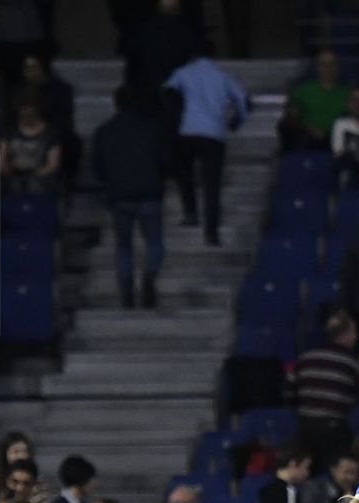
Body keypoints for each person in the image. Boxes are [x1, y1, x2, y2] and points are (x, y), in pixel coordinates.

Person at [164, 44, 248, 247]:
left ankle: (190, 211)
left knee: (184, 171)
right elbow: (243, 100)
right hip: (214, 134)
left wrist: (176, 115)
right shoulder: (223, 76)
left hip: (188, 130)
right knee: (212, 185)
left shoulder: (183, 72)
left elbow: (167, 91)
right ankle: (211, 232)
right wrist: (236, 122)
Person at [92, 86, 169, 310]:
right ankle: (149, 277)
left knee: (124, 246)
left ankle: (126, 294)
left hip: (120, 194)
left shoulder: (104, 131)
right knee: (154, 242)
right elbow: (165, 160)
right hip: (149, 191)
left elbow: (98, 167)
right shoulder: (153, 128)